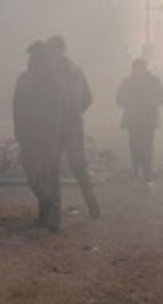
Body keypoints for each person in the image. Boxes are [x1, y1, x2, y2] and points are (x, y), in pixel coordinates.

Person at [46, 35, 100, 220]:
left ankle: (54, 213)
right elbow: (88, 98)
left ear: (52, 50)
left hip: (54, 127)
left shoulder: (49, 71)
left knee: (52, 168)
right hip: (74, 125)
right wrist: (76, 113)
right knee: (79, 166)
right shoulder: (77, 71)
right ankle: (91, 202)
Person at [13, 41, 66, 231]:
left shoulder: (55, 80)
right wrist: (19, 130)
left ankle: (51, 217)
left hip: (48, 134)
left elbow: (62, 109)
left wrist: (55, 129)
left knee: (49, 175)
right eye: (31, 56)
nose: (31, 60)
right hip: (29, 134)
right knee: (33, 175)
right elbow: (17, 106)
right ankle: (47, 209)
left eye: (34, 56)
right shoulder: (24, 79)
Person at [115, 59, 163, 184]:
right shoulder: (128, 82)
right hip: (134, 119)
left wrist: (152, 103)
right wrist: (127, 103)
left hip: (147, 119)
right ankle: (136, 169)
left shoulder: (154, 81)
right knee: (134, 146)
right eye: (136, 68)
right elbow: (118, 98)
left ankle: (147, 172)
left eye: (140, 68)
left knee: (147, 146)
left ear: (144, 68)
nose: (138, 70)